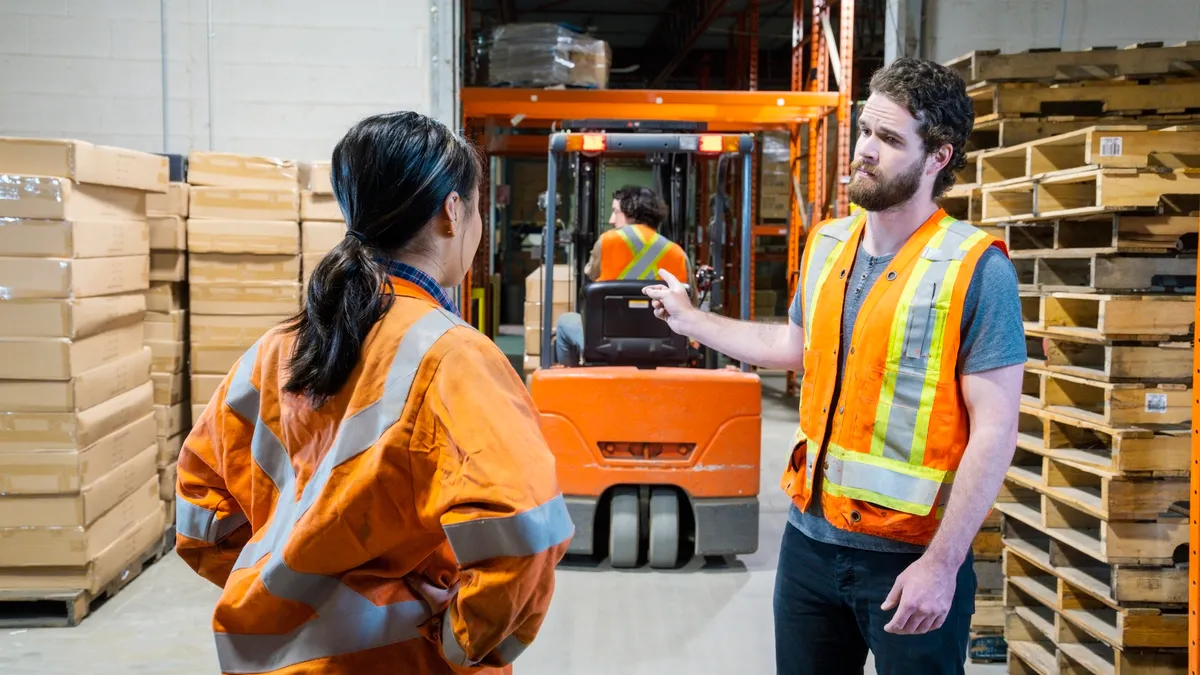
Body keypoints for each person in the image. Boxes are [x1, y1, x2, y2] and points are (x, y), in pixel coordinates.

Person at [644, 57, 1025, 675]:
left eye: (890, 139)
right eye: (866, 132)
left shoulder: (976, 269)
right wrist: (693, 322)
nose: (865, 151)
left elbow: (996, 428)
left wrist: (943, 563)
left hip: (908, 559)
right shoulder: (827, 245)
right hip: (808, 548)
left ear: (938, 159)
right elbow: (793, 347)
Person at [175, 111, 574, 674]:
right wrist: (460, 646)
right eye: (478, 208)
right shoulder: (453, 357)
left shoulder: (279, 347)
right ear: (452, 212)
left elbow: (198, 507)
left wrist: (285, 581)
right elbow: (525, 533)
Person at [552, 185, 690, 366]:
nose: (611, 220)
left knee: (564, 323)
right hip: (666, 345)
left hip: (605, 342)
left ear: (631, 213)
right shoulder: (677, 253)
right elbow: (690, 299)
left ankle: (572, 385)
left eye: (615, 212)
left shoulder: (607, 241)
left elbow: (591, 275)